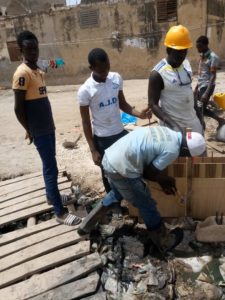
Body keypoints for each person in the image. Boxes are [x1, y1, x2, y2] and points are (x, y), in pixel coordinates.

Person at [78, 126, 206, 253]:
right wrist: (164, 180)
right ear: (185, 148)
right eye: (187, 155)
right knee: (146, 204)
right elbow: (148, 174)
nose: (185, 157)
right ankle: (163, 241)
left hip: (110, 159)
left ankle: (86, 225)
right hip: (122, 168)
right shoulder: (172, 150)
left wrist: (163, 180)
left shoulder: (169, 132)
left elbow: (150, 159)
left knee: (117, 193)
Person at [13, 31, 81, 226]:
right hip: (39, 130)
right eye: (29, 49)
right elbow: (18, 108)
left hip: (47, 127)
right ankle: (59, 212)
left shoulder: (37, 69)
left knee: (48, 165)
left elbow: (50, 65)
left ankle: (52, 197)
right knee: (51, 168)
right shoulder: (22, 74)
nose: (34, 52)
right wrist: (29, 129)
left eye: (35, 48)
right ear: (21, 50)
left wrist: (58, 62)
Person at [77, 48, 151, 194]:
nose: (105, 73)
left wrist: (139, 115)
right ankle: (115, 206)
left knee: (129, 168)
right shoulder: (85, 90)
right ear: (91, 68)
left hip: (120, 134)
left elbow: (122, 103)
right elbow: (86, 122)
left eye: (107, 67)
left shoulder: (116, 78)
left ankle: (131, 199)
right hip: (102, 140)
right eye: (101, 70)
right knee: (108, 175)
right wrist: (93, 150)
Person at [148, 25, 203, 135]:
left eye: (185, 51)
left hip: (192, 125)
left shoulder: (186, 65)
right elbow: (153, 104)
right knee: (179, 151)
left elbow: (189, 92)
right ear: (168, 50)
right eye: (178, 52)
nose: (182, 55)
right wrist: (173, 125)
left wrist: (200, 118)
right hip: (173, 128)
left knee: (196, 150)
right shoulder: (158, 73)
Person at [194, 35, 225, 128]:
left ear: (205, 45)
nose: (197, 49)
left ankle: (203, 125)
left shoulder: (212, 57)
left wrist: (206, 93)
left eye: (199, 47)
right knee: (197, 107)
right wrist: (196, 88)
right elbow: (201, 74)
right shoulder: (202, 55)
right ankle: (219, 120)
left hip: (207, 86)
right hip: (201, 85)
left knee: (200, 108)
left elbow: (213, 76)